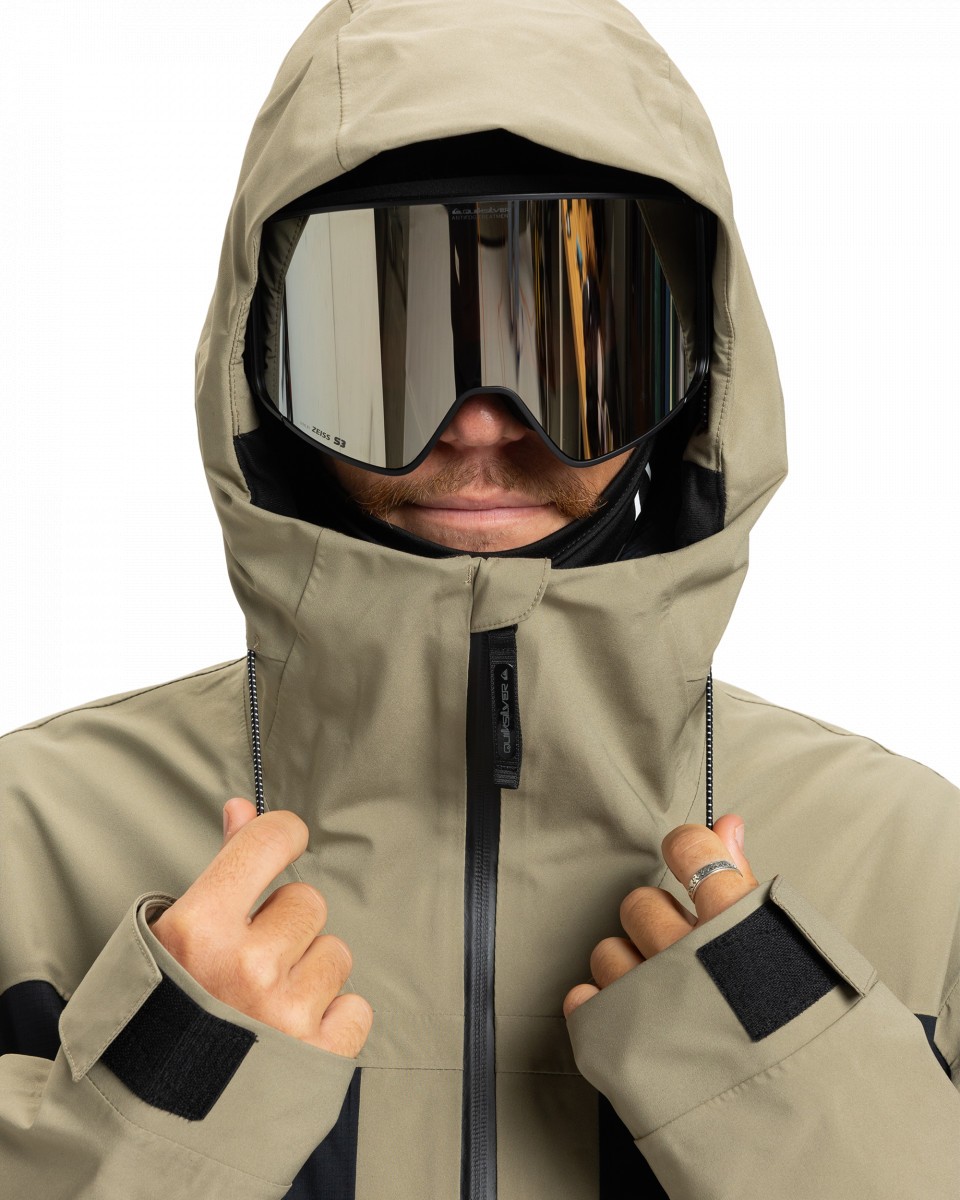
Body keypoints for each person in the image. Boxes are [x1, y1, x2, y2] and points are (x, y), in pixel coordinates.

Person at [0, 2, 957, 1199]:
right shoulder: (27, 845)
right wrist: (150, 1122)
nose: (480, 423)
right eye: (384, 339)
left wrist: (817, 1122)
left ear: (698, 371)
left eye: (575, 341)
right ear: (262, 369)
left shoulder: (916, 866)